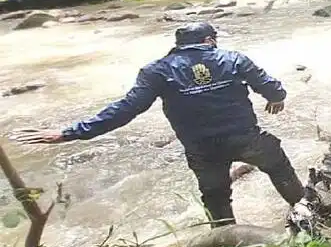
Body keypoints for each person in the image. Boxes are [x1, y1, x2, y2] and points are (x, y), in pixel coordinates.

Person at [14, 22, 312, 228]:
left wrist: (69, 133)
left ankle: (225, 243)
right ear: (210, 41)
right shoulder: (233, 59)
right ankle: (307, 214)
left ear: (179, 45)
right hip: (247, 139)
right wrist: (277, 98)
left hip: (203, 150)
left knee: (216, 196)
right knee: (278, 165)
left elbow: (125, 111)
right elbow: (271, 87)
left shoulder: (157, 70)